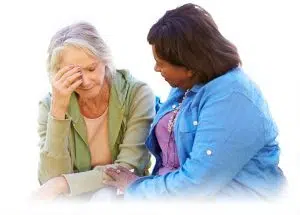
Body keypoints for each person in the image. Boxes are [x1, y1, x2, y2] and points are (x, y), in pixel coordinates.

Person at [104, 3, 286, 201]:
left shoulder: (232, 98)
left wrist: (135, 187)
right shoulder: (189, 85)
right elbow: (170, 125)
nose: (156, 68)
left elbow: (196, 185)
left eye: (161, 63)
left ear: (189, 64)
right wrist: (124, 96)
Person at [34, 22, 155, 201]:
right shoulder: (49, 105)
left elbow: (129, 168)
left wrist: (64, 183)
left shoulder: (137, 93)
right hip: (74, 200)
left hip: (119, 196)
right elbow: (49, 180)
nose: (86, 81)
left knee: (104, 199)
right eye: (74, 73)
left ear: (105, 60)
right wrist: (59, 108)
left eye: (91, 68)